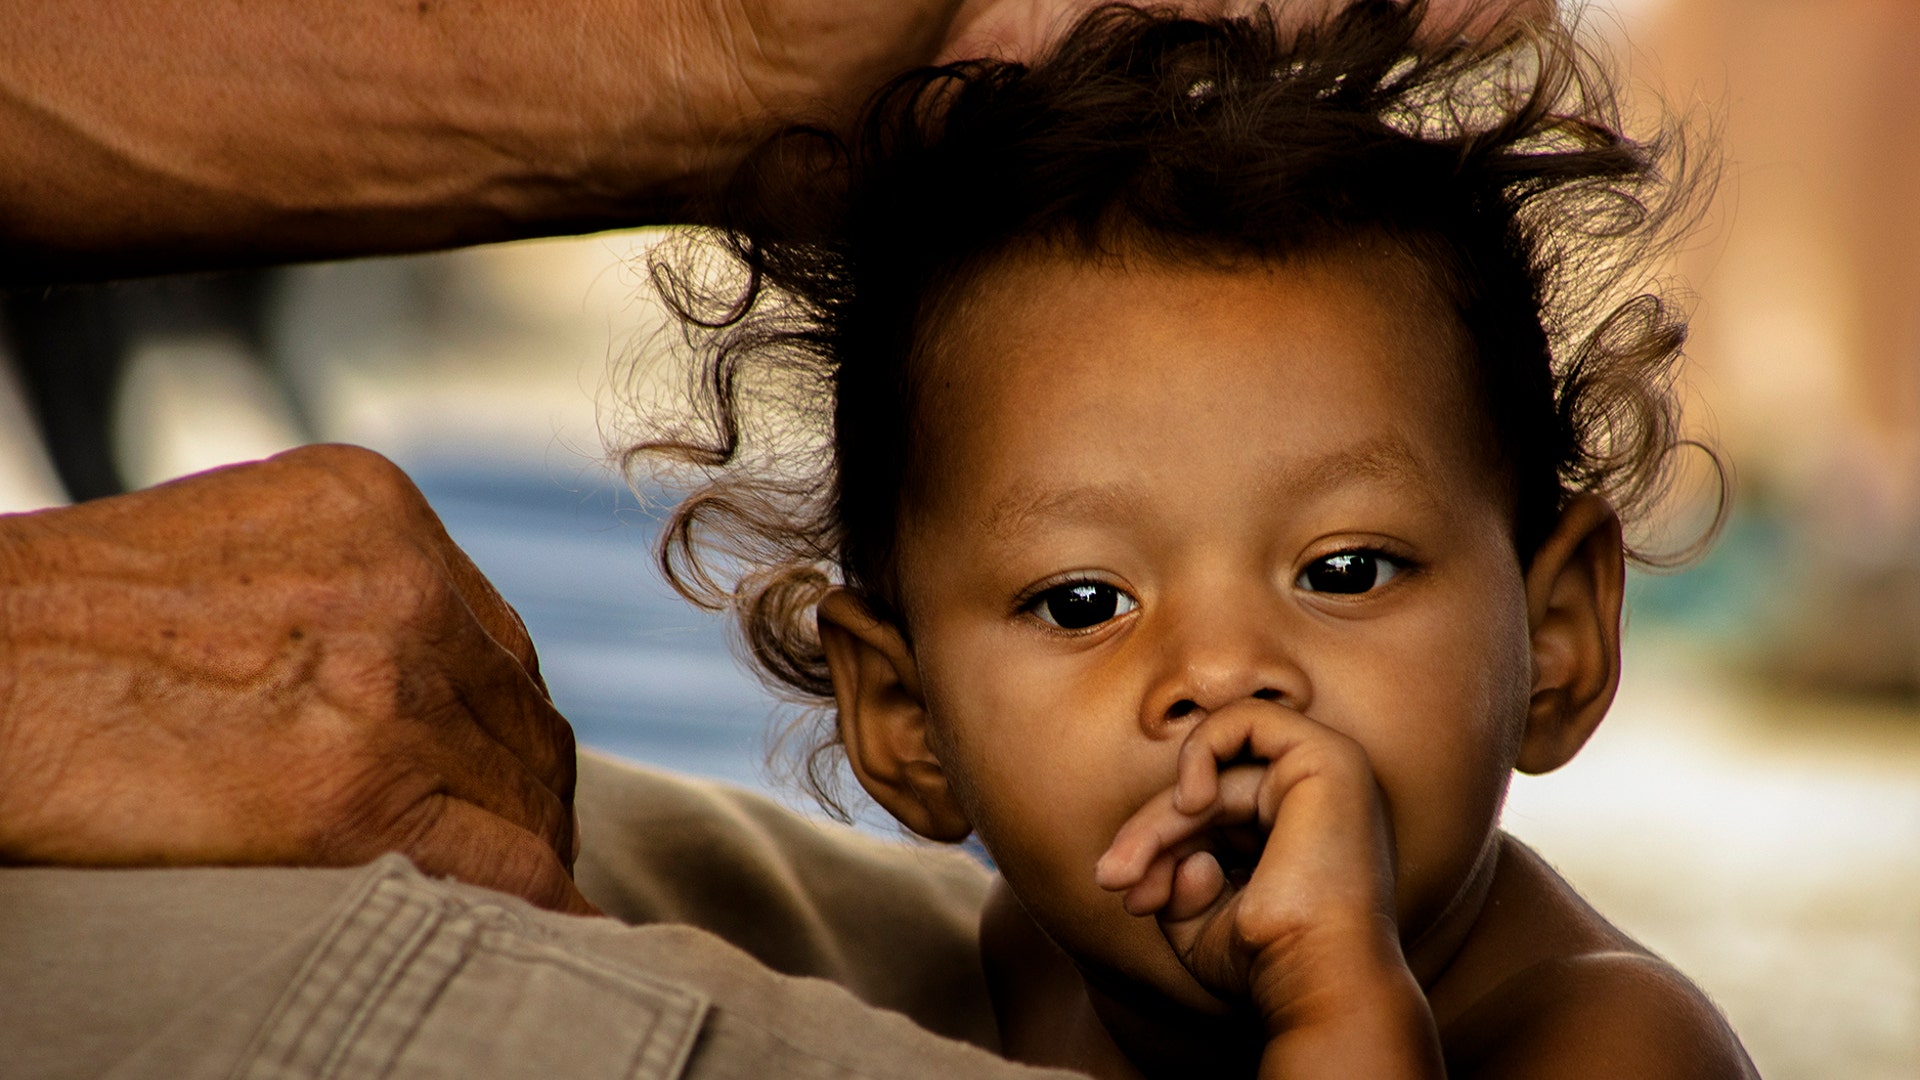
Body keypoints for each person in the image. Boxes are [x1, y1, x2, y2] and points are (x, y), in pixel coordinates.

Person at [609, 1, 1758, 1075]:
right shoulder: (1036, 961)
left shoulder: (1613, 1041)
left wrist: (1338, 1009)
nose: (1220, 671)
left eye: (1344, 571)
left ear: (1554, 644)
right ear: (908, 721)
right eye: (1081, 602)